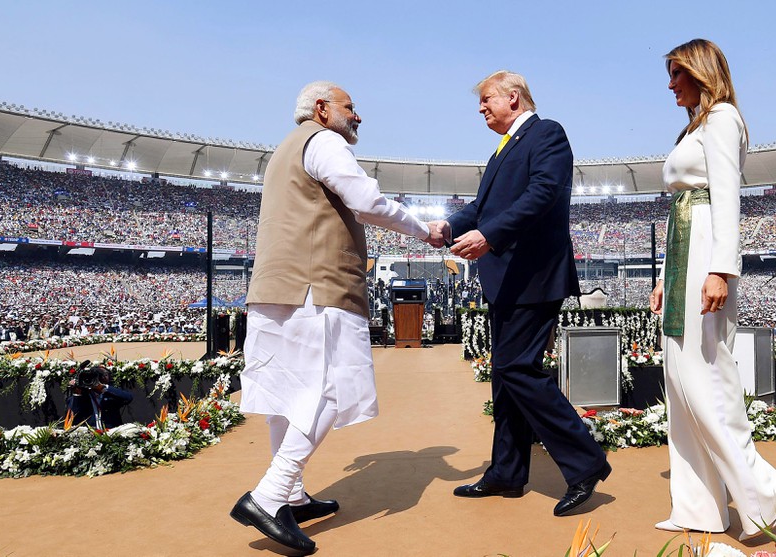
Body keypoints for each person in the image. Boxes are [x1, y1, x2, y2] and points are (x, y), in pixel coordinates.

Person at [229, 81, 442, 555]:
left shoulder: (285, 149)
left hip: (275, 288)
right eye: (351, 106)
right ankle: (270, 495)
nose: (357, 115)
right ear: (322, 109)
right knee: (331, 388)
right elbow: (367, 202)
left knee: (286, 394)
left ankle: (292, 496)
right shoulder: (324, 141)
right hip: (318, 288)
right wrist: (424, 229)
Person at [430, 70, 611, 517]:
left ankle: (585, 463)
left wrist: (489, 235)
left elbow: (543, 193)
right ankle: (507, 472)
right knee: (506, 377)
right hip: (508, 279)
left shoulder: (546, 133)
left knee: (518, 369)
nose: (481, 108)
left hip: (534, 276)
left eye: (487, 99)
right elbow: (481, 207)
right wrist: (448, 225)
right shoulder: (503, 149)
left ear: (513, 97)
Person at [648, 39, 776, 539]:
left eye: (677, 74)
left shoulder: (724, 118)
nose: (671, 84)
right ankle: (699, 509)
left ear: (701, 72)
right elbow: (681, 210)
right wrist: (664, 279)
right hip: (684, 249)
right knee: (680, 381)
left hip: (706, 248)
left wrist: (720, 270)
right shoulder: (695, 127)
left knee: (706, 378)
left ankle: (764, 499)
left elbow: (727, 197)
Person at [65, 364, 133, 429]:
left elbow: (128, 398)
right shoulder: (82, 396)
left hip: (111, 432)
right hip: (90, 434)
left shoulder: (111, 394)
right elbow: (72, 417)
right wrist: (77, 393)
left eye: (105, 375)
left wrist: (104, 388)